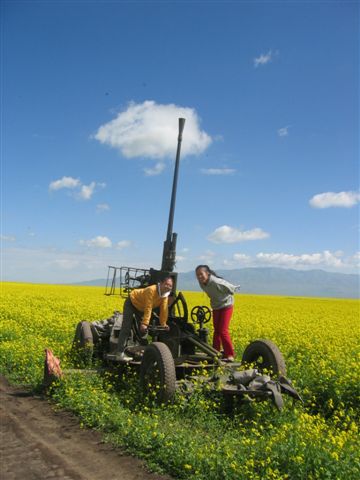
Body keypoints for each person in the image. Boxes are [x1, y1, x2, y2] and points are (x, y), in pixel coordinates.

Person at [116, 275, 174, 361]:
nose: (168, 287)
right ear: (160, 283)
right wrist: (145, 323)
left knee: (143, 331)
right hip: (132, 302)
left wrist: (163, 324)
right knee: (126, 327)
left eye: (170, 286)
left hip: (141, 307)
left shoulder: (165, 294)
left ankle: (142, 353)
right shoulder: (151, 290)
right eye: (166, 284)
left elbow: (164, 310)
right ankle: (119, 353)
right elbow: (148, 307)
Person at [195, 265, 239, 362]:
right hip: (216, 307)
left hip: (226, 306)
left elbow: (230, 287)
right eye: (197, 275)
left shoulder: (215, 281)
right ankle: (215, 352)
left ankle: (230, 355)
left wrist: (232, 291)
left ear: (207, 273)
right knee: (217, 330)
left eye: (201, 274)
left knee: (223, 330)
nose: (199, 277)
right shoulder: (201, 283)